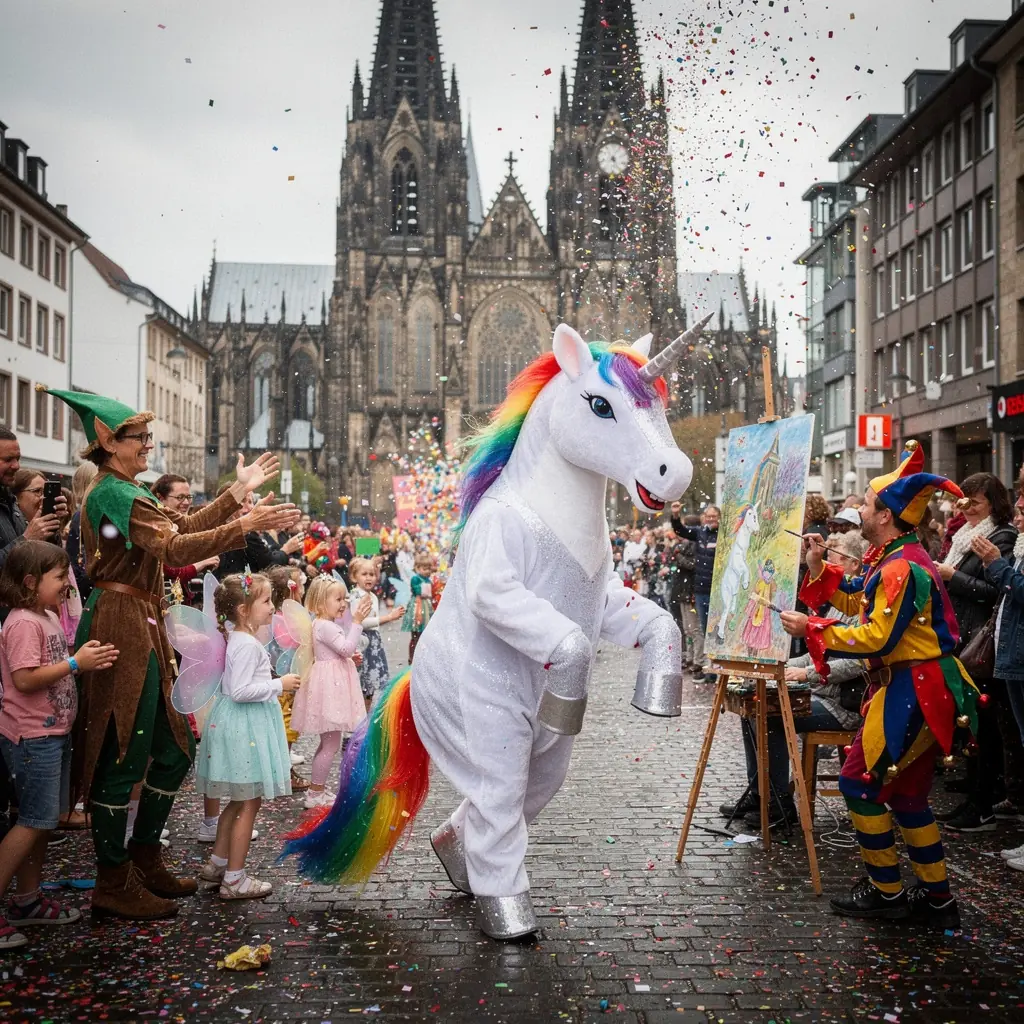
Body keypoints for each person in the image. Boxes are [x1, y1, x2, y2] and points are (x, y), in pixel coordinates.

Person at [42, 386, 299, 920]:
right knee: (121, 753)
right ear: (110, 443)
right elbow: (176, 548)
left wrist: (235, 495)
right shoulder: (112, 493)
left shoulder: (128, 489)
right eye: (140, 439)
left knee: (174, 747)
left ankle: (143, 858)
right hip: (121, 623)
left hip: (144, 619)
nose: (149, 446)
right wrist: (244, 524)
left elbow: (181, 527)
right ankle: (113, 881)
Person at [782, 440, 976, 929]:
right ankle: (937, 902)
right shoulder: (892, 555)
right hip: (912, 685)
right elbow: (860, 604)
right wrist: (818, 570)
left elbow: (876, 635)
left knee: (857, 782)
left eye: (867, 505)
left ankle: (888, 892)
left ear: (886, 516)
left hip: (916, 688)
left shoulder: (901, 565)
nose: (862, 510)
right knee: (907, 796)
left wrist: (814, 630)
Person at [0, 541, 118, 949]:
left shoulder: (45, 615)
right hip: (33, 736)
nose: (67, 585)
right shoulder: (21, 623)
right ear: (31, 582)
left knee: (41, 822)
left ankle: (26, 901)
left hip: (52, 733)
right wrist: (74, 664)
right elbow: (25, 679)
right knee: (32, 820)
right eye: (59, 579)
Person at [722, 530, 869, 828]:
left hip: (846, 704)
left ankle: (778, 804)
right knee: (753, 707)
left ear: (854, 565)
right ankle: (760, 792)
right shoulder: (841, 603)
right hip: (826, 694)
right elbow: (821, 651)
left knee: (770, 714)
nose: (828, 566)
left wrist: (807, 674)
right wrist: (779, 665)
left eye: (834, 560)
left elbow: (855, 662)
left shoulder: (861, 605)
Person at [195, 573, 298, 899]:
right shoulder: (247, 645)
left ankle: (218, 865)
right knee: (248, 804)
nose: (272, 607)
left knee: (238, 801)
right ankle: (235, 878)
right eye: (266, 601)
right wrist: (278, 685)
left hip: (239, 725)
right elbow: (241, 690)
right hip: (246, 729)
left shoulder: (238, 640)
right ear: (242, 609)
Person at [933, 472, 1017, 832]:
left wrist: (954, 577)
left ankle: (983, 801)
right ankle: (977, 793)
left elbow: (995, 589)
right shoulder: (963, 537)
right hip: (961, 635)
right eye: (963, 502)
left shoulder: (1002, 537)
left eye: (975, 503)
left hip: (983, 641)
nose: (966, 509)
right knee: (972, 721)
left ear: (992, 504)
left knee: (986, 726)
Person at [290, 575, 371, 808]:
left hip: (329, 684)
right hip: (331, 689)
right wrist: (357, 623)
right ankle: (315, 794)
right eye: (338, 599)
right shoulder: (325, 626)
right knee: (330, 745)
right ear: (319, 603)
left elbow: (339, 651)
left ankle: (318, 790)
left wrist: (348, 654)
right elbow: (345, 648)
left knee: (328, 743)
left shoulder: (321, 624)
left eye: (344, 598)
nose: (343, 603)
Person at [974, 493, 1024, 869]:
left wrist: (996, 565)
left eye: (1023, 511)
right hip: (1013, 659)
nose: (1017, 518)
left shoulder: (1009, 546)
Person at [264, 564, 310, 794]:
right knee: (287, 724)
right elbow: (290, 642)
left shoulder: (280, 616)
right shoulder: (282, 619)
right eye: (300, 585)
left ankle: (281, 769)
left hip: (286, 678)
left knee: (287, 724)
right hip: (284, 680)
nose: (303, 589)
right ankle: (283, 772)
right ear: (291, 591)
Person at [152, 474, 220, 604]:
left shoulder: (181, 527)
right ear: (160, 498)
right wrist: (201, 563)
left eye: (189, 497)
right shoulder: (153, 527)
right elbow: (170, 570)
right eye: (180, 497)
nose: (187, 503)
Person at [670, 503, 719, 681]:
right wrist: (675, 515)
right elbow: (680, 530)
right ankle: (709, 669)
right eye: (708, 516)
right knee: (705, 629)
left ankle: (716, 669)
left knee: (716, 631)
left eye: (714, 516)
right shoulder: (700, 532)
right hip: (700, 590)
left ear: (719, 518)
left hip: (717, 590)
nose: (711, 519)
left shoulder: (723, 534)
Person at [348, 557, 405, 710]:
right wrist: (388, 617)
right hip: (360, 642)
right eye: (364, 574)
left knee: (370, 686)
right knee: (360, 684)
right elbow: (360, 622)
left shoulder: (372, 595)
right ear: (354, 577)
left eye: (372, 574)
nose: (369, 578)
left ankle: (365, 717)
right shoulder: (355, 596)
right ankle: (357, 719)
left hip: (373, 643)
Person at [214, 487, 305, 578]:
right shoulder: (245, 535)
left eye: (251, 502)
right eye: (242, 501)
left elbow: (265, 555)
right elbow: (269, 564)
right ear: (226, 505)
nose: (251, 507)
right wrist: (286, 549)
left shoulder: (249, 534)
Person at [401, 552, 436, 663]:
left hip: (427, 606)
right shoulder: (415, 579)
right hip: (418, 606)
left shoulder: (429, 580)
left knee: (424, 634)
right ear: (417, 568)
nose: (427, 571)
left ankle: (422, 656)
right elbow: (417, 591)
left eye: (429, 568)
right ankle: (412, 658)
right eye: (424, 568)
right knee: (416, 634)